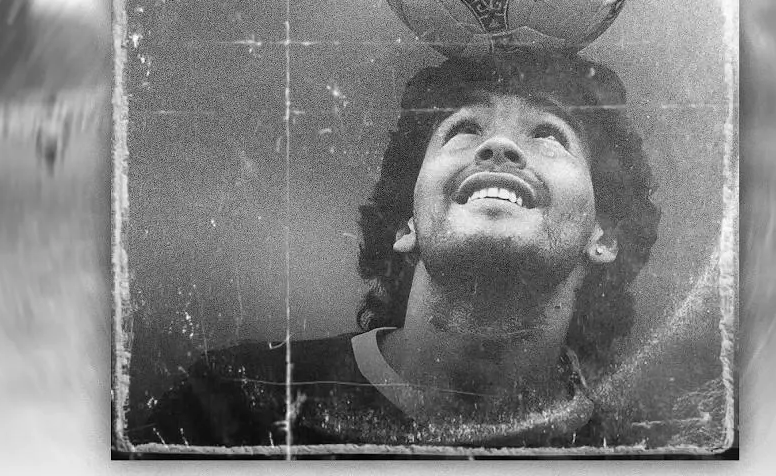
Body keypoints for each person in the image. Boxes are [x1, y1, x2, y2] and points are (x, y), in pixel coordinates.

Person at [127, 51, 662, 448]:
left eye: (548, 133)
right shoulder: (234, 402)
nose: (498, 146)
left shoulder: (639, 450)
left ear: (604, 237)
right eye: (464, 128)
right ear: (406, 224)